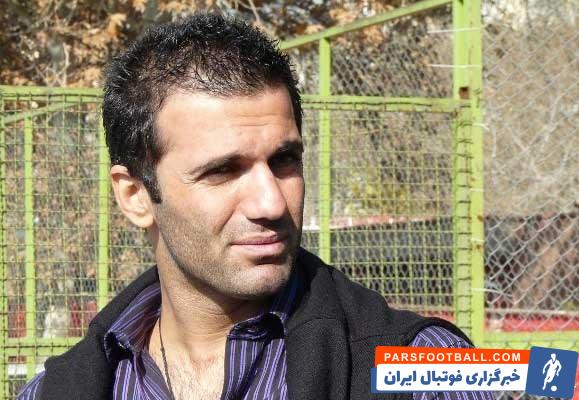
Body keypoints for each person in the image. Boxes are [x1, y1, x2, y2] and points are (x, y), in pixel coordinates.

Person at [18, 13, 494, 400]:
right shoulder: (59, 389)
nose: (271, 202)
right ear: (135, 196)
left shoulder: (429, 370)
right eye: (223, 171)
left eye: (284, 160)